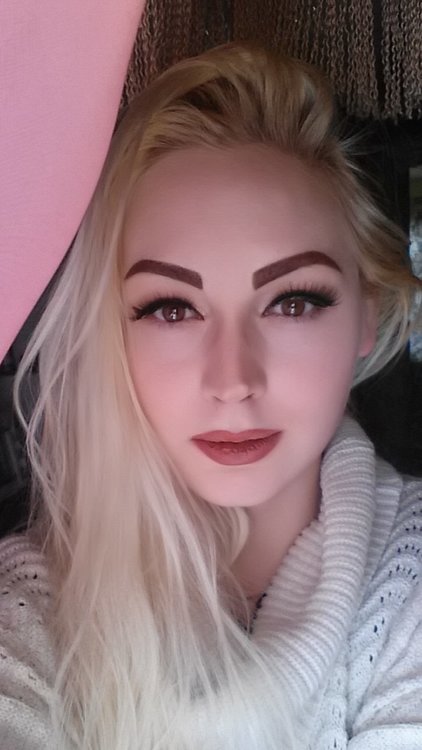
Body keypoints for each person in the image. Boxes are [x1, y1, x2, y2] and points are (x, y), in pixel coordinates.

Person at [1, 42, 422, 750]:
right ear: (111, 330)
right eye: (171, 308)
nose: (232, 380)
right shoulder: (30, 608)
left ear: (366, 315)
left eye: (293, 302)